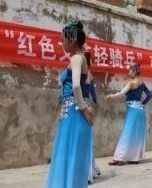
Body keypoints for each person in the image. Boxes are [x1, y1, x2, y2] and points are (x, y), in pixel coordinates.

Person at [45, 21, 94, 188]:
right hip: (73, 113)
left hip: (74, 114)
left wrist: (83, 107)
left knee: (67, 155)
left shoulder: (76, 58)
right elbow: (85, 84)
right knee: (72, 158)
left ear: (72, 40)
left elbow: (76, 85)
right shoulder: (82, 58)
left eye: (63, 40)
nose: (62, 43)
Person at [105, 63, 152, 165]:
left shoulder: (131, 83)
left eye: (130, 71)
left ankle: (118, 158)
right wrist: (142, 103)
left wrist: (111, 96)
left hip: (133, 110)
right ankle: (134, 158)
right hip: (140, 110)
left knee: (126, 134)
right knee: (136, 134)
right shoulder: (142, 83)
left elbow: (121, 93)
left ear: (135, 72)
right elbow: (150, 95)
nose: (128, 73)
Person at [82, 51, 101, 183]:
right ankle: (92, 169)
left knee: (83, 140)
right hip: (87, 104)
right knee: (86, 139)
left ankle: (87, 172)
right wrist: (94, 103)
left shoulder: (83, 73)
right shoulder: (90, 74)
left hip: (82, 106)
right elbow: (93, 95)